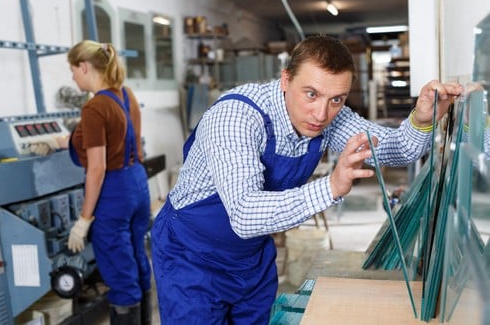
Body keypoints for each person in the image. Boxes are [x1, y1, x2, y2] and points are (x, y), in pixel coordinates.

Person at [150, 34, 463, 325]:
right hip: (191, 258)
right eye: (311, 94)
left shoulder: (329, 114)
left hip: (251, 257)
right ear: (286, 79)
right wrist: (330, 187)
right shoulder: (237, 116)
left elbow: (393, 149)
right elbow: (245, 215)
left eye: (337, 99)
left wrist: (422, 119)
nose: (321, 113)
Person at [65, 40, 152, 325]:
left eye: (73, 70)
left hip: (114, 192)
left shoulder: (94, 108)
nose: (73, 77)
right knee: (137, 259)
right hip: (137, 182)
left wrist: (84, 219)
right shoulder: (125, 95)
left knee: (119, 272)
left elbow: (97, 168)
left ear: (85, 66)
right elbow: (127, 140)